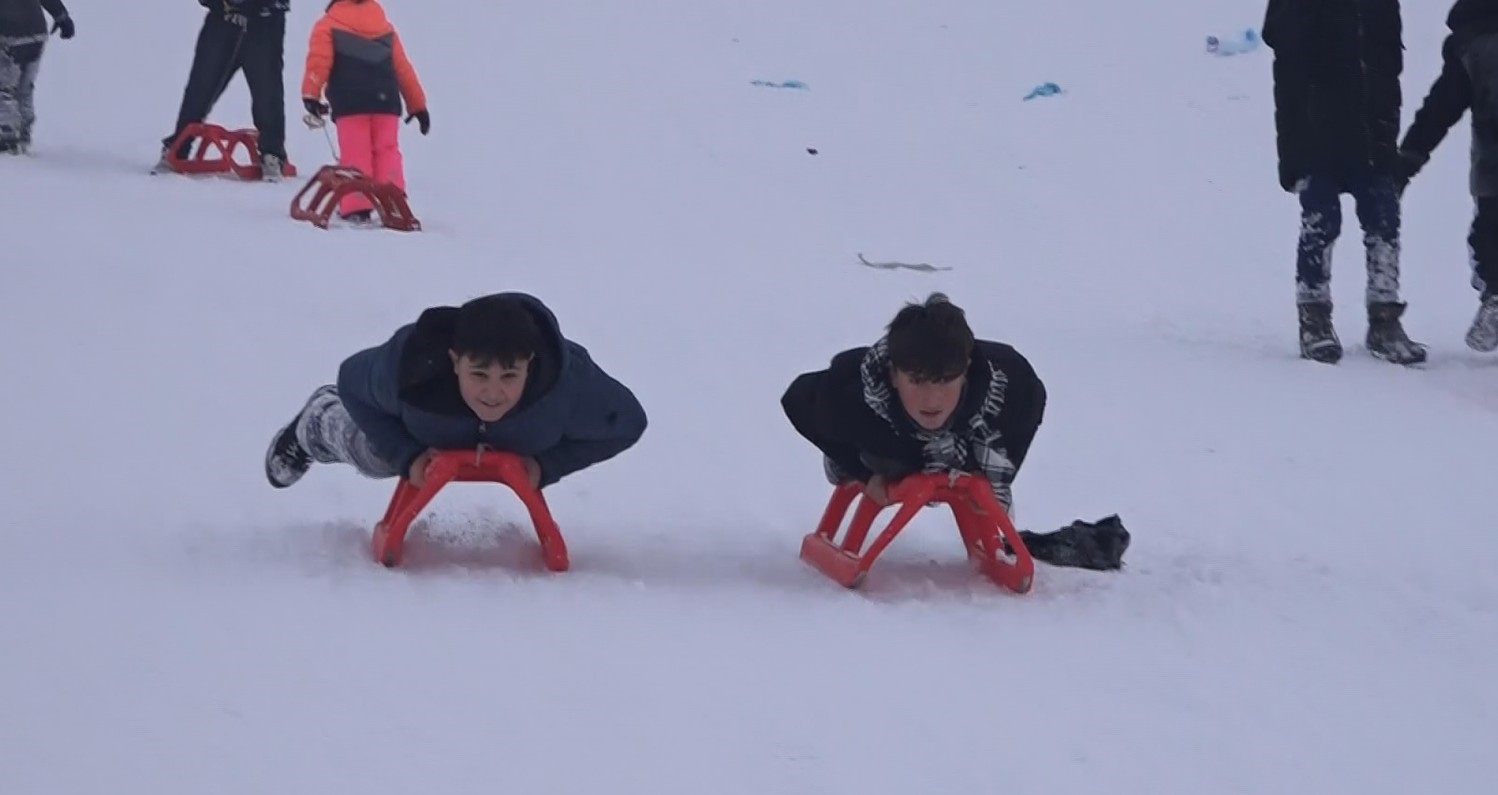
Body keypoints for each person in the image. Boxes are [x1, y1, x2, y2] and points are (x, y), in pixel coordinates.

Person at [779, 293, 1128, 571]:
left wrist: (998, 473)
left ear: (966, 372)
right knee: (875, 451)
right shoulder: (851, 392)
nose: (932, 398)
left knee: (980, 463)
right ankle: (866, 459)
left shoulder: (1008, 384)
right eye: (917, 381)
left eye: (946, 381)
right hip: (883, 439)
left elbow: (1029, 406)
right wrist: (859, 469)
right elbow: (797, 401)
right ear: (893, 374)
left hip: (966, 441)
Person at [264, 292, 648, 493]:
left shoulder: (568, 385)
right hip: (423, 431)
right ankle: (317, 424)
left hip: (521, 437)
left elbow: (627, 424)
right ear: (454, 360)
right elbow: (351, 379)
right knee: (377, 457)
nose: (493, 393)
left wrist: (549, 465)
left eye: (509, 376)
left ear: (530, 364)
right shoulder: (411, 365)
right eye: (479, 374)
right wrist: (405, 454)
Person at [1262, 0, 1427, 365]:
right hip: (1316, 135)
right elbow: (1288, 79)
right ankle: (1314, 317)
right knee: (1321, 221)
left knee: (1384, 219)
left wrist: (1387, 135)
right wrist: (1292, 154)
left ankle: (1384, 318)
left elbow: (1387, 72)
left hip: (1371, 136)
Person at [1396, 0, 1498, 352]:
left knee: (1489, 236)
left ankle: (1496, 298)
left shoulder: (1471, 45)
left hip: (1493, 170)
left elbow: (1441, 107)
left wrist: (1409, 158)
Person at [300, 0, 429, 224]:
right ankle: (394, 202)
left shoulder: (327, 25)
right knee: (387, 150)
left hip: (351, 103)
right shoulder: (385, 27)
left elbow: (318, 63)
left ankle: (357, 205)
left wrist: (311, 94)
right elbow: (403, 69)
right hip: (385, 102)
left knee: (355, 152)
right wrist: (418, 105)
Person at [156, 0, 290, 180]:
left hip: (265, 19)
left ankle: (272, 154)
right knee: (202, 84)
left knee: (266, 88)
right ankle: (178, 147)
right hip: (223, 16)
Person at [0, 0, 73, 154]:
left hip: (9, 36)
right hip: (36, 36)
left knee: (5, 89)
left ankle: (6, 138)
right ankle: (24, 133)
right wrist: (62, 18)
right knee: (24, 88)